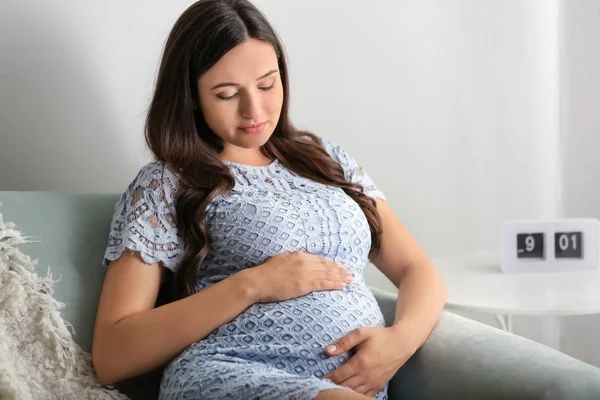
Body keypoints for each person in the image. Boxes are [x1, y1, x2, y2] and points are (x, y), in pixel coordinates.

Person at [91, 0, 446, 399]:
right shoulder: (165, 184)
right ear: (191, 96)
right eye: (227, 94)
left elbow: (417, 269)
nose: (254, 110)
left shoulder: (325, 159)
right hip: (227, 369)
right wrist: (253, 284)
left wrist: (400, 342)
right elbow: (112, 352)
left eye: (266, 84)